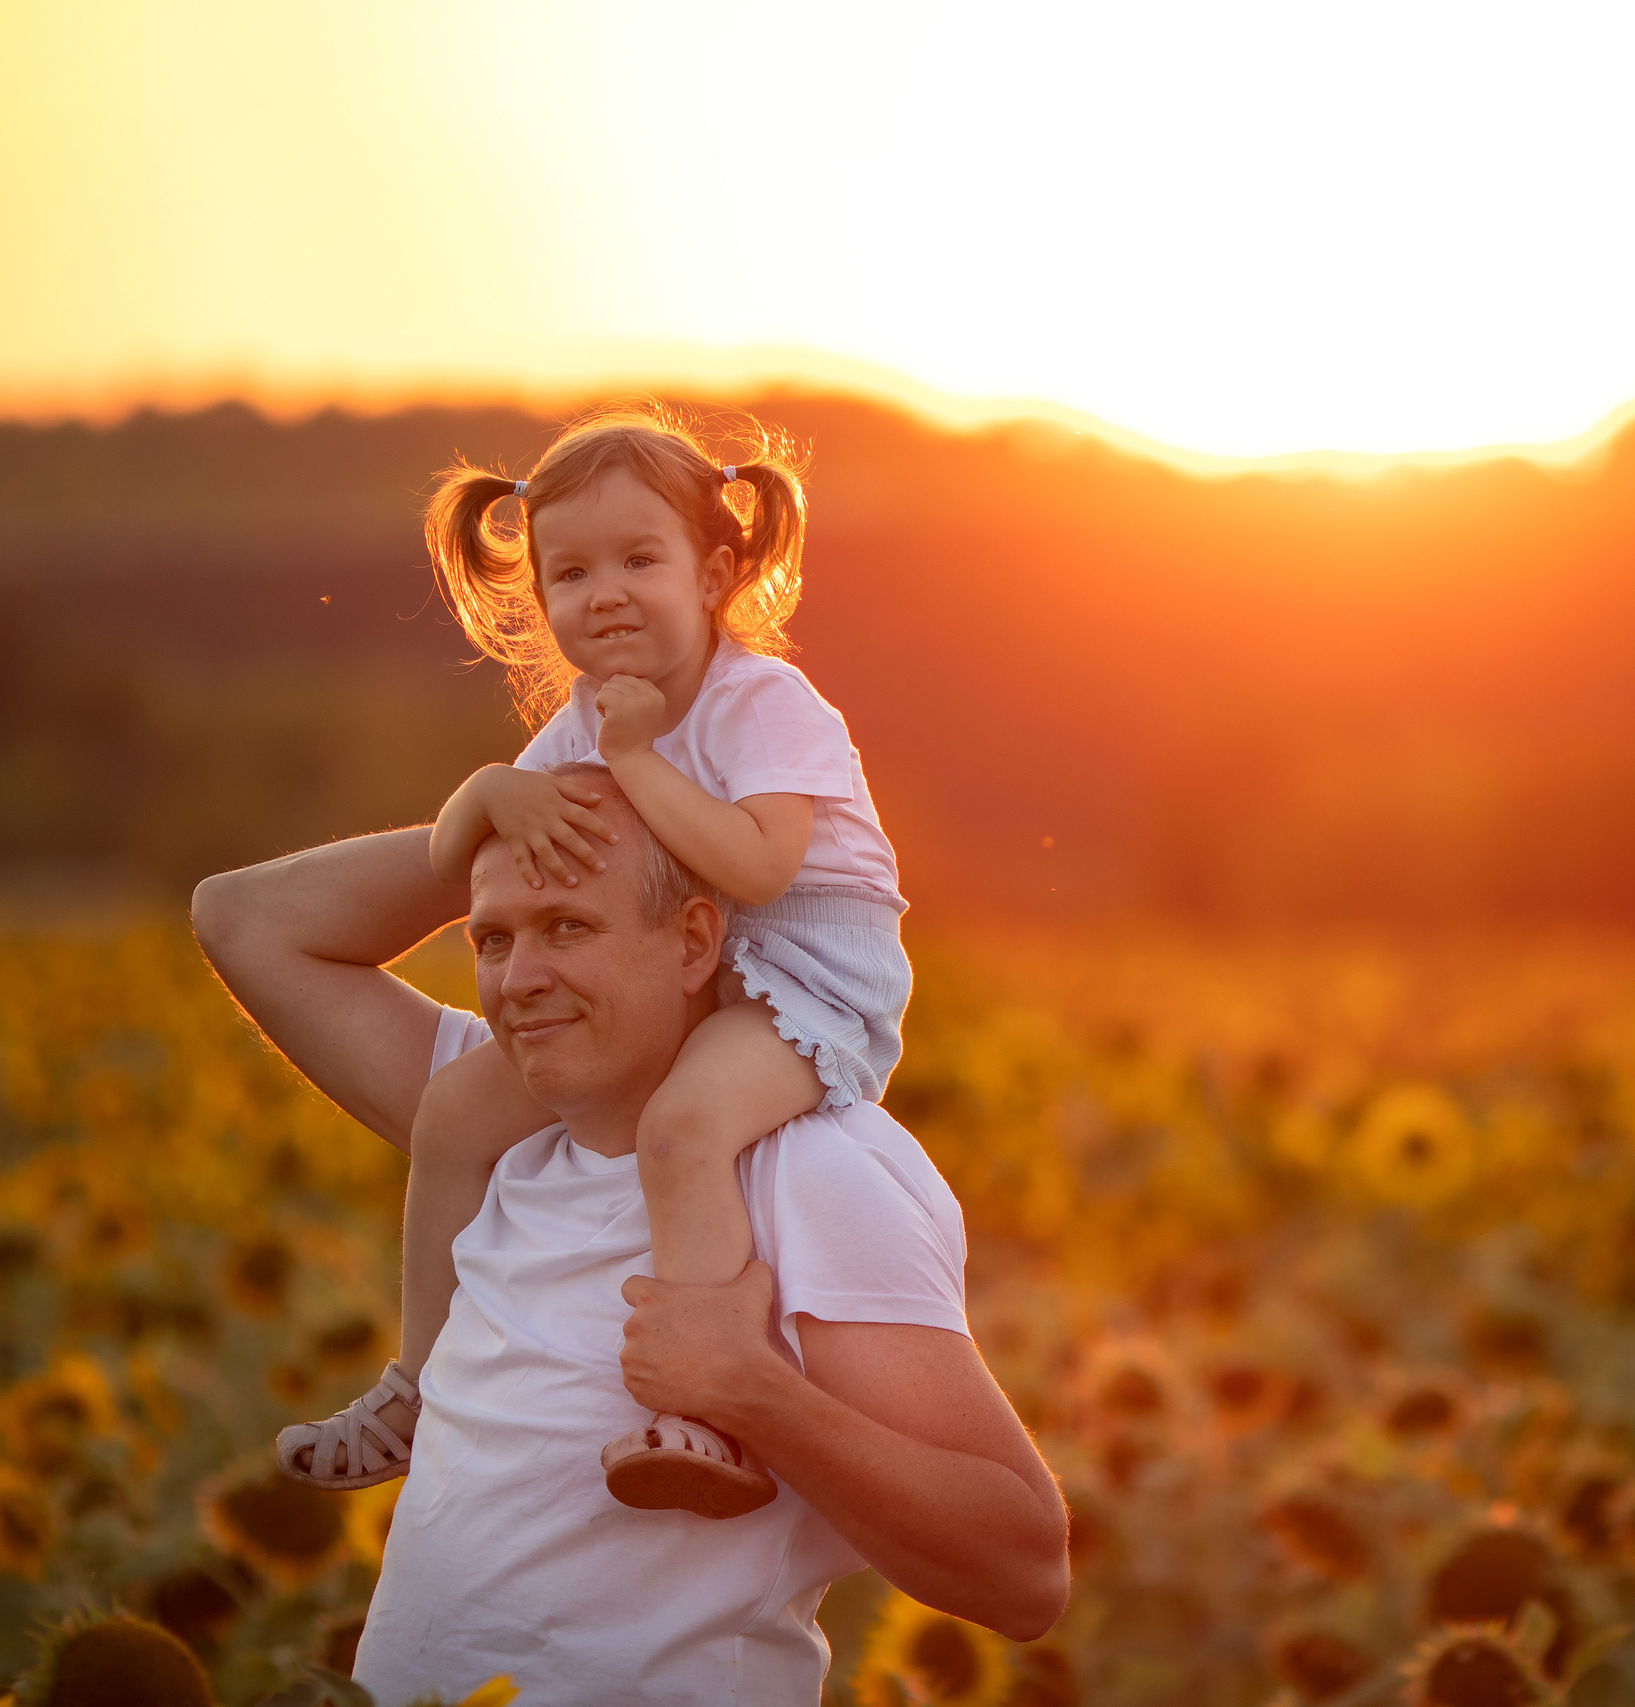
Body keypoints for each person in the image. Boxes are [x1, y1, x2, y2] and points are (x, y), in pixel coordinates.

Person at [190, 775, 1068, 1703]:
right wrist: (519, 818)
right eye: (493, 937)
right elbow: (242, 917)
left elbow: (1021, 1567)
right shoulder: (494, 1132)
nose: (520, 977)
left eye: (569, 925)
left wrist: (752, 1391)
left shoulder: (803, 1171)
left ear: (694, 941)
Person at [272, 406, 912, 1516]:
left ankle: (708, 1419)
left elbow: (760, 869)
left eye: (638, 559)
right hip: (689, 972)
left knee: (683, 1128)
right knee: (454, 1119)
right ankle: (418, 1387)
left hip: (810, 979)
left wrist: (628, 757)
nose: (604, 591)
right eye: (569, 573)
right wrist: (489, 792)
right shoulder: (575, 723)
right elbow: (450, 855)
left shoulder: (764, 703)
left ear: (713, 572)